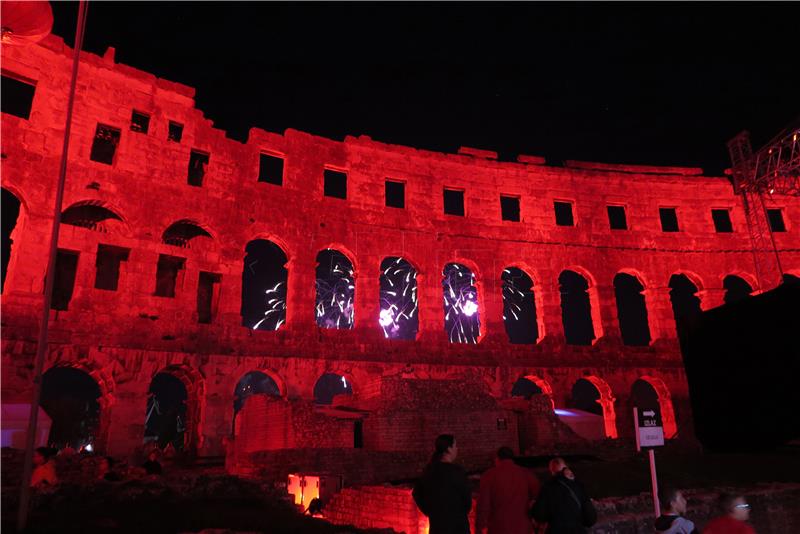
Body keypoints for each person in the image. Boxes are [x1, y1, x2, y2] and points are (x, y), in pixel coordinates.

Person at [412, 434, 472, 534]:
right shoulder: (457, 472)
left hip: (437, 526)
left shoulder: (429, 470)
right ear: (448, 449)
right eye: (455, 445)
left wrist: (429, 511)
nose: (457, 449)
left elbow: (417, 493)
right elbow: (467, 499)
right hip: (457, 525)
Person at [476, 446, 540, 534]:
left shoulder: (488, 476)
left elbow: (483, 505)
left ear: (497, 459)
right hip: (523, 527)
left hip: (498, 527)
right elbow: (538, 496)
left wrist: (479, 528)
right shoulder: (526, 473)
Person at [530, 457, 596, 534]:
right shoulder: (578, 486)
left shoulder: (547, 487)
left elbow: (539, 515)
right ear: (566, 468)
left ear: (552, 471)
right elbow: (591, 519)